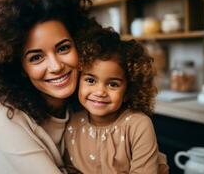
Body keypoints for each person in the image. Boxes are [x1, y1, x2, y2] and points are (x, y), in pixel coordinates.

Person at [0, 0, 97, 173]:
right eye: (36, 57)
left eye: (63, 48)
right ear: (19, 68)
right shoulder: (2, 116)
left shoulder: (84, 102)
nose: (56, 66)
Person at [64, 27, 169, 174]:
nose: (100, 92)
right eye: (90, 80)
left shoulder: (138, 125)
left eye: (113, 84)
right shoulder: (71, 124)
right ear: (78, 80)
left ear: (128, 91)